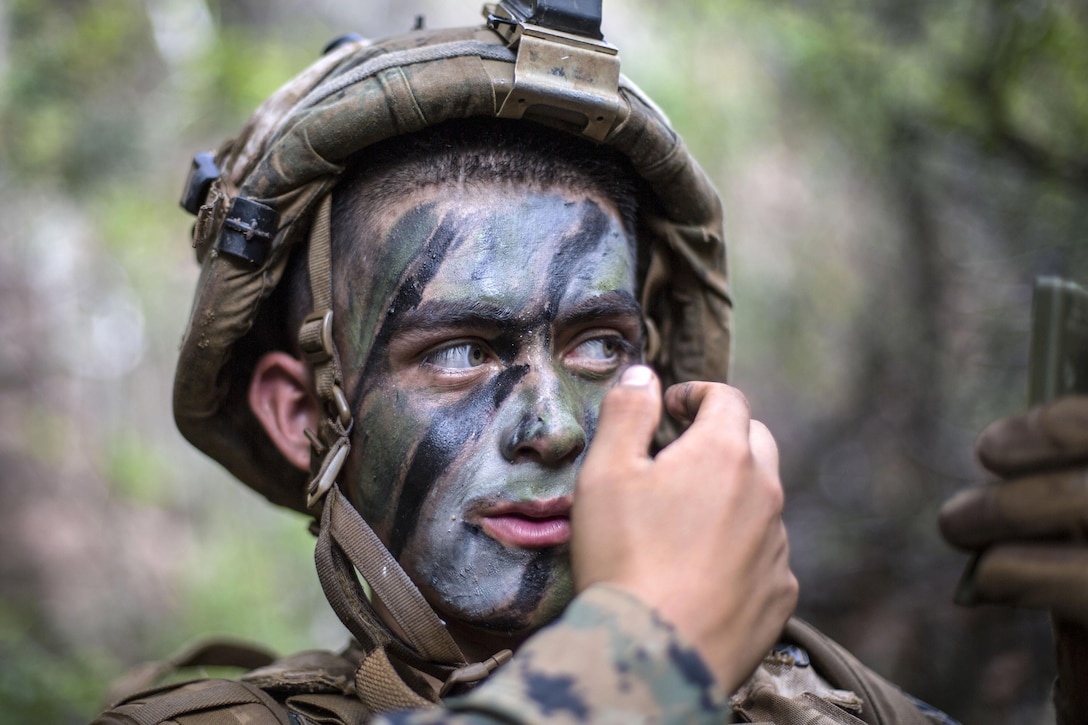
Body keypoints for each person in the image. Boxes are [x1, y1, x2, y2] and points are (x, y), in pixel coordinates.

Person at [93, 4, 1088, 724]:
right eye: (462, 350)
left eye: (599, 344)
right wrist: (644, 661)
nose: (556, 422)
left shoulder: (823, 706)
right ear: (303, 411)